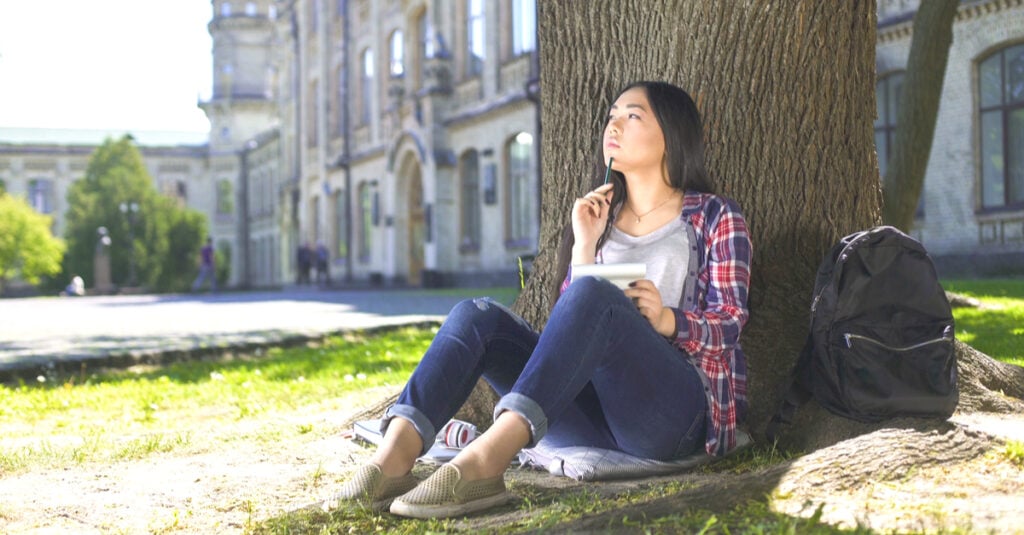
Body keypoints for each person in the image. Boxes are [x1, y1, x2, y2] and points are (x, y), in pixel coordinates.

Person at [330, 81, 752, 519]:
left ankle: (486, 461)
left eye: (633, 115)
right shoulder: (598, 219)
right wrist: (584, 246)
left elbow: (732, 320)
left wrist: (669, 320)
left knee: (595, 294)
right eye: (612, 115)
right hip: (588, 417)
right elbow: (568, 333)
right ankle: (393, 458)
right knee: (475, 316)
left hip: (669, 415)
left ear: (672, 134)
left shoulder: (715, 216)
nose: (614, 124)